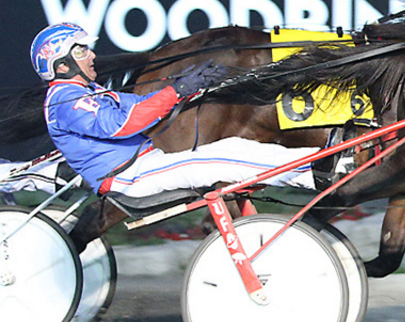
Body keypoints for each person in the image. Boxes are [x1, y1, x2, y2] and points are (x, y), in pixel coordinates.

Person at [31, 22, 348, 199]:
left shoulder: (85, 92)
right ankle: (321, 173)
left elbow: (138, 105)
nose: (92, 55)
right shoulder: (66, 100)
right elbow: (124, 123)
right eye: (82, 50)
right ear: (61, 64)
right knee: (226, 159)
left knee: (234, 149)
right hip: (128, 176)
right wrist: (176, 89)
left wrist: (189, 85)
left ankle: (319, 166)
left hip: (143, 163)